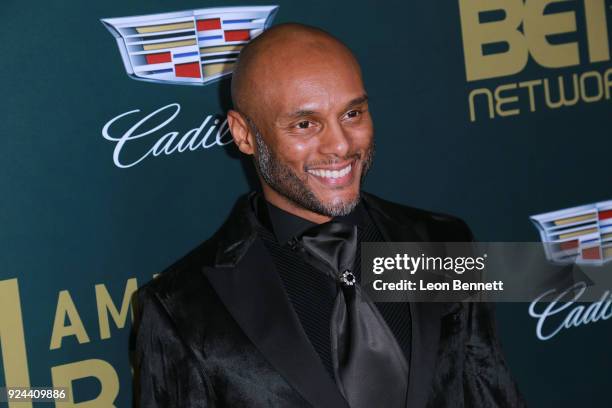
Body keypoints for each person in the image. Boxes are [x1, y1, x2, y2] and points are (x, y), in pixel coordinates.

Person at [132, 23, 524, 407]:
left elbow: (490, 392)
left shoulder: (443, 241)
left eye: (353, 114)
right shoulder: (181, 308)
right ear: (244, 134)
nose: (340, 145)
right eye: (305, 124)